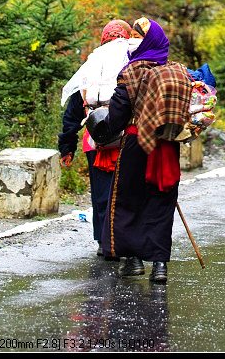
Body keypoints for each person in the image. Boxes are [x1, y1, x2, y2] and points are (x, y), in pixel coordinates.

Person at [99, 17, 192, 284]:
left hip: (136, 145)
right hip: (166, 148)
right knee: (161, 202)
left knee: (129, 201)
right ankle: (160, 265)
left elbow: (117, 116)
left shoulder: (131, 72)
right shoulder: (176, 73)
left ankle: (133, 260)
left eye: (136, 37)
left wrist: (105, 124)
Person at [58, 18, 137, 255]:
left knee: (102, 193)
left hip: (96, 140)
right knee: (126, 193)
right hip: (128, 141)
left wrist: (67, 148)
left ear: (103, 38)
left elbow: (72, 112)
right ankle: (122, 241)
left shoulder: (92, 66)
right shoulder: (133, 63)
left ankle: (104, 243)